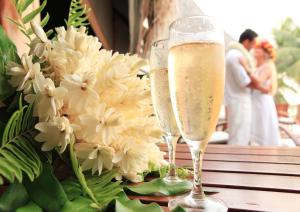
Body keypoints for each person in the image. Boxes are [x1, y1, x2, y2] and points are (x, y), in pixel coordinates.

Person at [225, 29, 258, 145]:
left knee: (239, 133)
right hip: (239, 102)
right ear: (246, 41)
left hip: (237, 100)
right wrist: (258, 84)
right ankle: (236, 162)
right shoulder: (236, 55)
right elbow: (244, 82)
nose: (253, 48)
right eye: (253, 44)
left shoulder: (232, 54)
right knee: (239, 136)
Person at [247, 40, 281, 146]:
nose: (255, 50)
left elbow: (258, 81)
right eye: (255, 48)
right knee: (255, 126)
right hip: (255, 100)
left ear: (264, 53)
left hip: (262, 102)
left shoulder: (267, 67)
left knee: (262, 127)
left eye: (259, 48)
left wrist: (245, 70)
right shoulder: (256, 67)